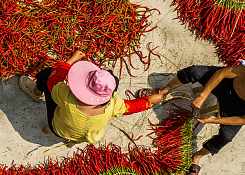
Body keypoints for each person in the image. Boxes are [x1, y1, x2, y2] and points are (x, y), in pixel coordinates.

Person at [150, 57, 245, 175]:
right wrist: (203, 95)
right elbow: (223, 73)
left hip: (237, 107)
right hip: (227, 84)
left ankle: (197, 157)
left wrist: (212, 120)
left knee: (226, 136)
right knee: (194, 71)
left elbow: (243, 119)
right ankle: (162, 91)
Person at [18, 49, 161, 144]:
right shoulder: (112, 105)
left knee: (47, 74)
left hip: (58, 127)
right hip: (82, 137)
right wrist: (149, 101)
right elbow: (133, 107)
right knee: (112, 78)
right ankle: (109, 75)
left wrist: (70, 61)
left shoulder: (67, 97)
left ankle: (35, 92)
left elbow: (54, 79)